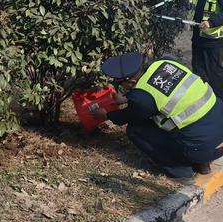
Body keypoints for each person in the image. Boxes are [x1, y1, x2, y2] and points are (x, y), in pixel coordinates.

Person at [92, 52, 223, 184]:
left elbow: (127, 116)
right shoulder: (167, 62)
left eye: (120, 84)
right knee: (195, 124)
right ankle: (202, 164)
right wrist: (128, 98)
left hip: (201, 149)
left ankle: (180, 171)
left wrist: (105, 115)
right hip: (218, 133)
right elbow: (164, 91)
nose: (120, 88)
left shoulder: (142, 100)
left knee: (136, 130)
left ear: (131, 82)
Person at [175, 0, 223, 98]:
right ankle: (200, 99)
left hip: (213, 41)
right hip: (198, 37)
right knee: (198, 71)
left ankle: (218, 103)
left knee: (214, 74)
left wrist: (211, 22)